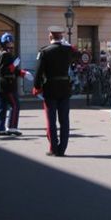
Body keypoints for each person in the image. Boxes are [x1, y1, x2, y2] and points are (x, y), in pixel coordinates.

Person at [32, 26, 74, 156]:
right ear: (61, 37)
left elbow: (38, 72)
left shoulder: (44, 51)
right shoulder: (68, 50)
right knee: (64, 120)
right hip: (65, 88)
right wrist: (68, 45)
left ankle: (54, 148)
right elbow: (82, 56)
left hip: (50, 88)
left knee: (51, 120)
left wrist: (37, 86)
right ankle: (62, 149)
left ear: (50, 37)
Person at [0, 33, 33, 136]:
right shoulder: (5, 55)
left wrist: (23, 73)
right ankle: (12, 127)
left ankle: (0, 128)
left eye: (11, 42)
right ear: (6, 43)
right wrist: (13, 65)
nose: (11, 44)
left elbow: (13, 71)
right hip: (7, 84)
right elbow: (4, 71)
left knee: (2, 107)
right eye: (9, 42)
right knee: (15, 105)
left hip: (1, 84)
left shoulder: (0, 53)